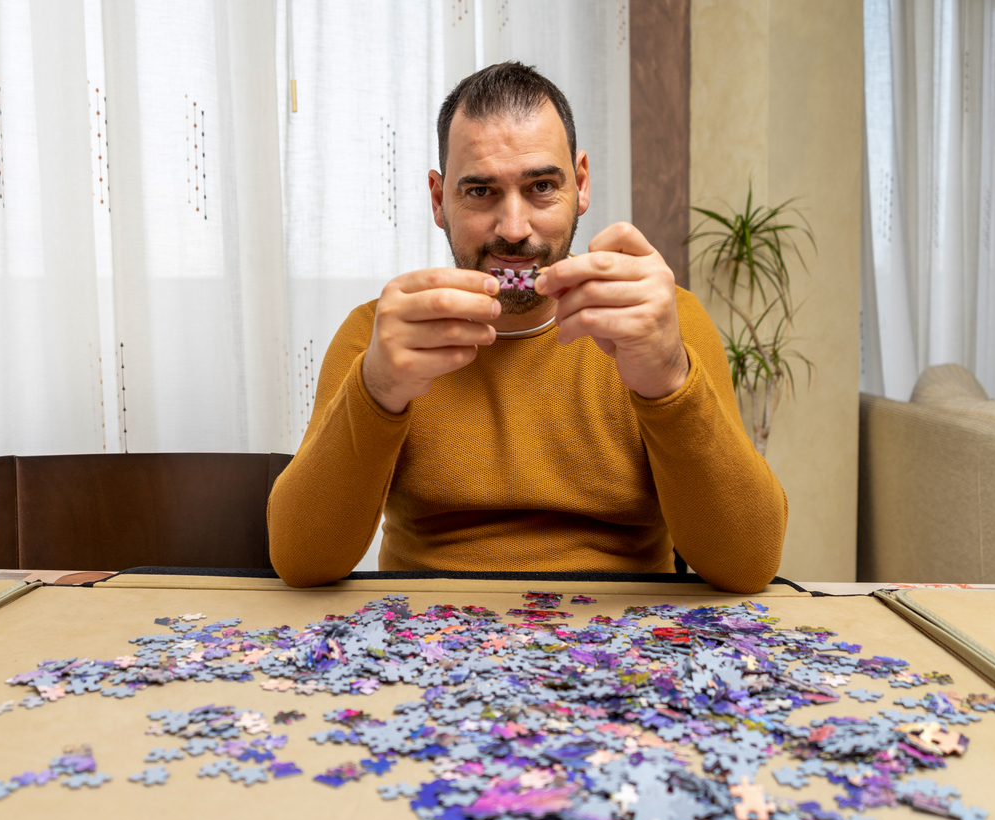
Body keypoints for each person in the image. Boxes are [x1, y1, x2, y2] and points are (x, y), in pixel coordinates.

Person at [268, 62, 786, 594]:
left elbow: (746, 566)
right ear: (438, 199)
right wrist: (377, 389)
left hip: (624, 639)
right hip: (425, 638)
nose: (514, 230)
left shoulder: (660, 321)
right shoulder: (381, 335)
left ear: (580, 185)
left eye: (541, 186)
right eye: (480, 192)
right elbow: (303, 562)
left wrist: (670, 379)